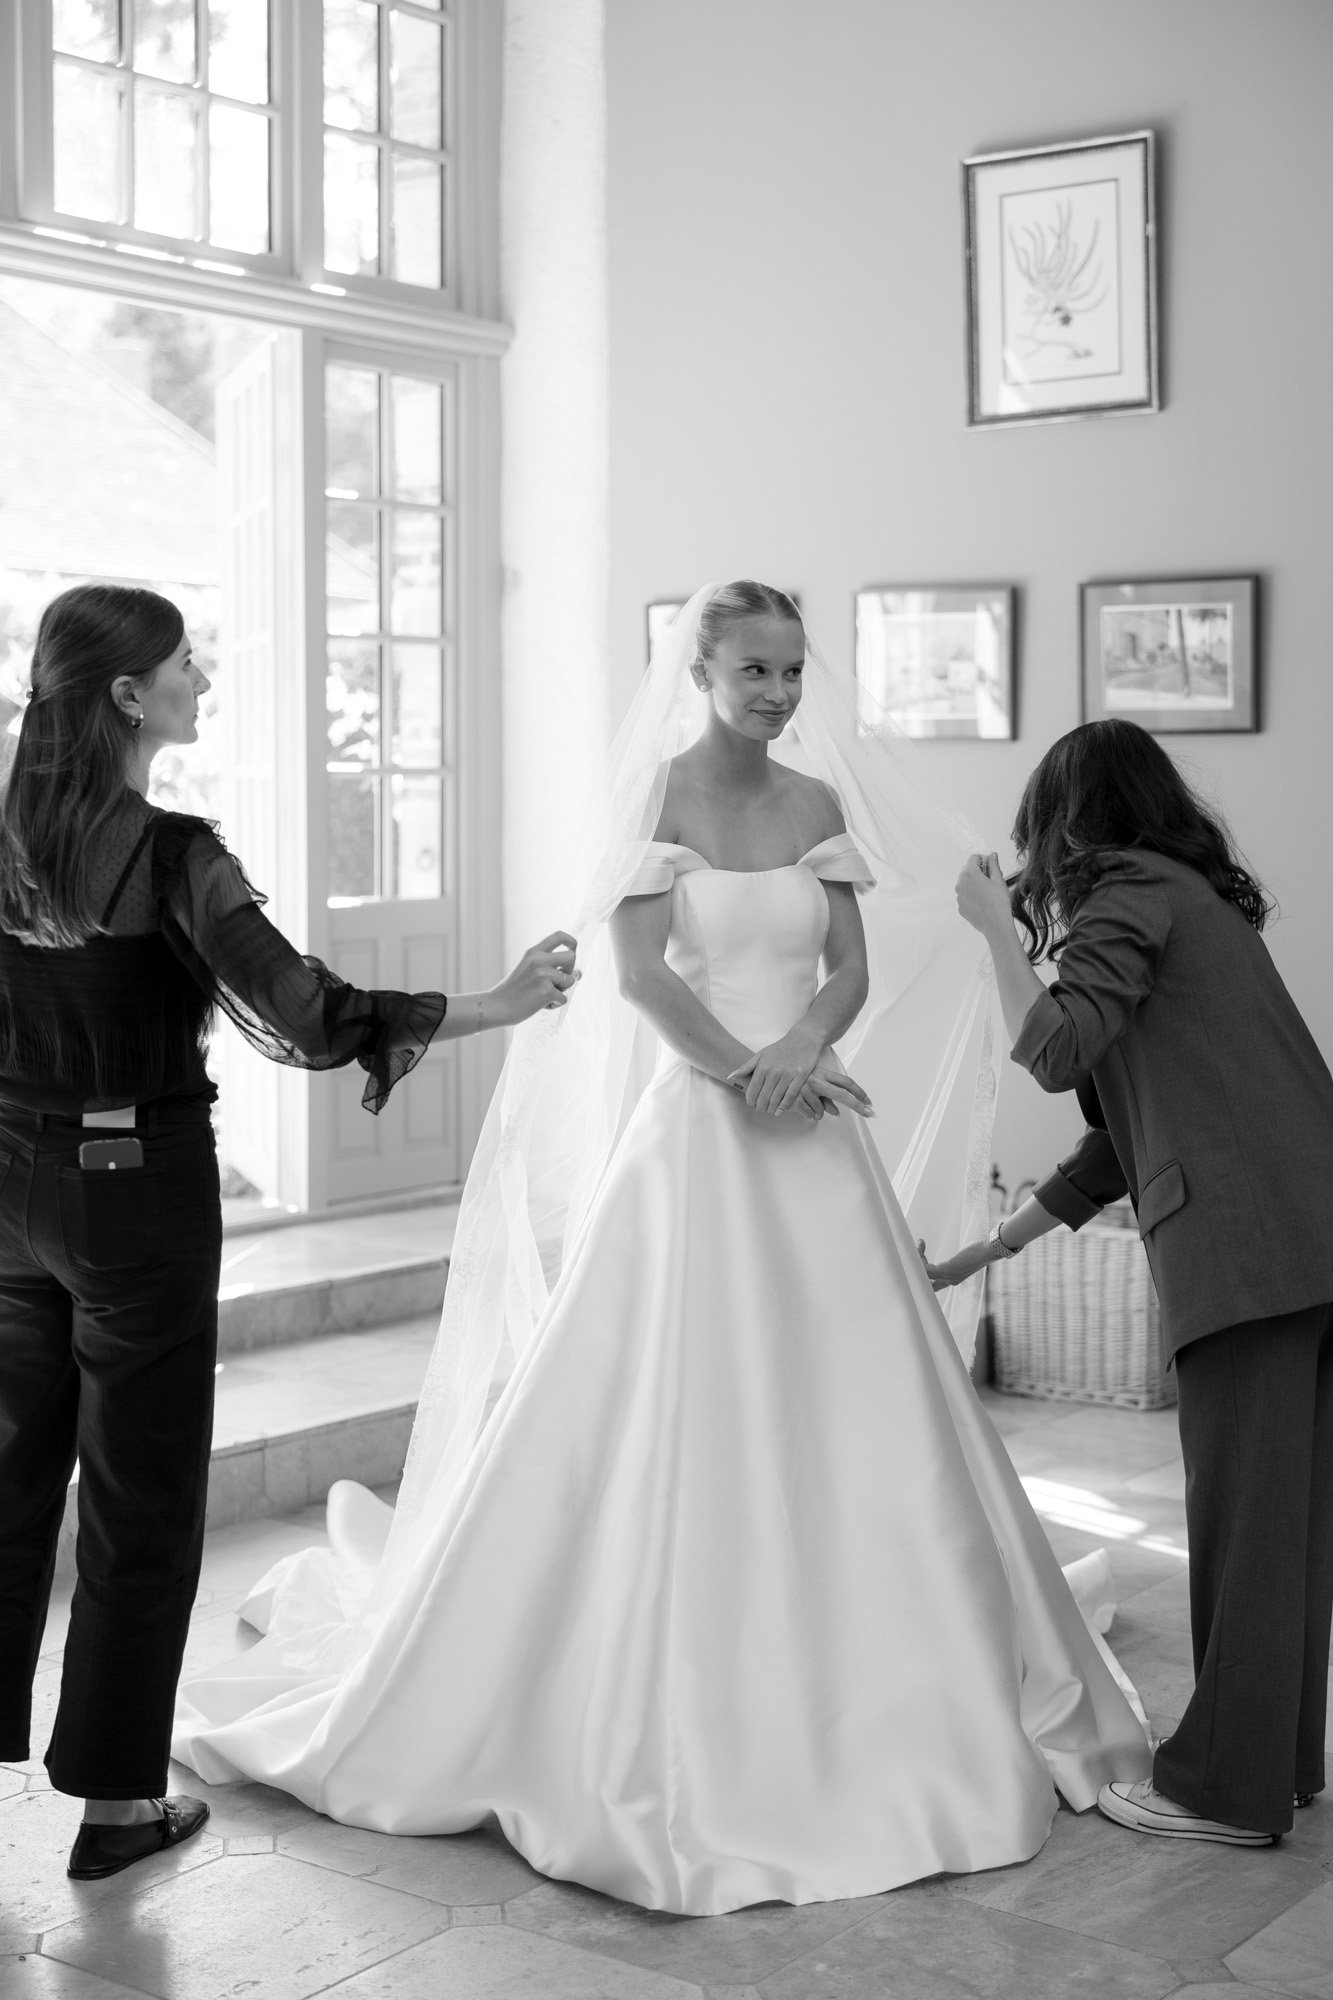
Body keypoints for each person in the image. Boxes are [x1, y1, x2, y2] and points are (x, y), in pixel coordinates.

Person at [172, 581, 1149, 1916]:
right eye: (755, 670)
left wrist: (804, 1054)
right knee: (666, 1401)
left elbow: (850, 969)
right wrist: (751, 1075)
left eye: (795, 672)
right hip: (698, 1131)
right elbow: (642, 980)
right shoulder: (662, 804)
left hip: (812, 1128)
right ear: (699, 671)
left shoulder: (815, 807)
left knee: (864, 1401)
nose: (780, 694)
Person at [0, 582, 578, 1882]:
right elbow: (309, 1015)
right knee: (139, 1496)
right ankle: (113, 1807)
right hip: (133, 1185)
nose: (205, 675)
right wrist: (492, 1002)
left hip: (3, 1184)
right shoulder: (171, 853)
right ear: (129, 697)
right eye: (183, 662)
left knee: (4, 1478)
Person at [930, 717, 1333, 1849]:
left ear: (1065, 819)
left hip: (1248, 1246)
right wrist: (987, 1248)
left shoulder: (1124, 892)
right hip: (1308, 1233)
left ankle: (1218, 1790)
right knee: (1284, 1523)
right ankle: (1278, 1766)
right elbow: (1116, 1128)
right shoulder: (1191, 900)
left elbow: (1054, 1049)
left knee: (1244, 1519)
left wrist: (989, 936)